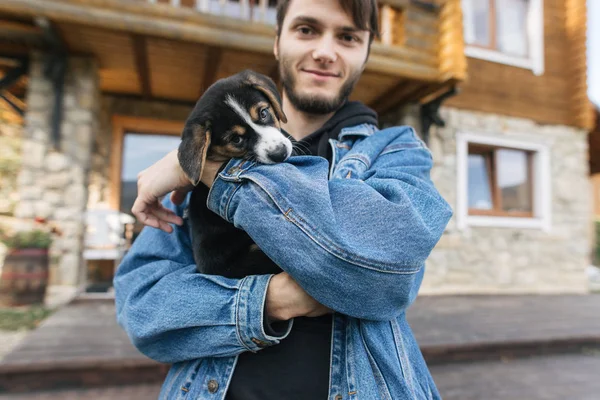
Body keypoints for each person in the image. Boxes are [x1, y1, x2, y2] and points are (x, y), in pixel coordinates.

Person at [114, 0, 453, 399]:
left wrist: (216, 175)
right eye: (306, 29)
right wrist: (271, 300)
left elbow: (387, 279)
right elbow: (141, 308)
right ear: (277, 41)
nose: (325, 52)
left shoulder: (396, 151)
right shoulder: (200, 157)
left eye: (347, 36)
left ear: (366, 51)